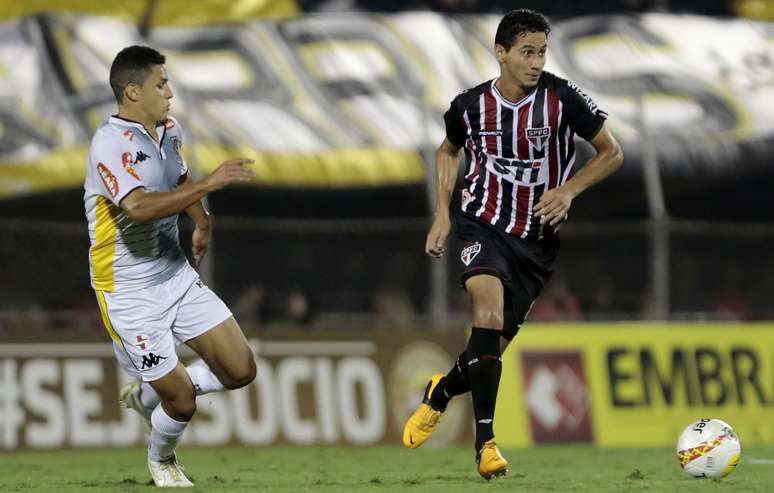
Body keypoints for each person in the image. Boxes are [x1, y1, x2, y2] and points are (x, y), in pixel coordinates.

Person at [402, 9, 623, 480]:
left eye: (542, 51)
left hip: (536, 244)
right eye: (527, 52)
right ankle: (486, 444)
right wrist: (442, 213)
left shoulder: (563, 99)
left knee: (488, 351)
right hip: (480, 225)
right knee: (486, 313)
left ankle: (440, 392)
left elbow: (612, 152)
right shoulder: (468, 107)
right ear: (500, 53)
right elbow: (448, 150)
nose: (537, 61)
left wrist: (568, 190)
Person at [84, 45, 257, 487]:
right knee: (181, 402)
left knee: (241, 370)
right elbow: (139, 207)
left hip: (174, 275)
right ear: (132, 91)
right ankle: (162, 460)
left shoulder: (168, 129)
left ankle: (146, 395)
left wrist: (202, 220)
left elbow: (178, 177)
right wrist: (213, 181)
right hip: (128, 294)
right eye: (161, 84)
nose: (170, 93)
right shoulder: (109, 144)